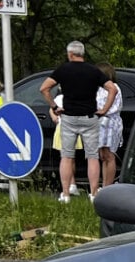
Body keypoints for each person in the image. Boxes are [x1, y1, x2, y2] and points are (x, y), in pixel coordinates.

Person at [40, 41, 117, 202]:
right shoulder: (93, 71)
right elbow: (112, 89)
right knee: (92, 157)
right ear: (82, 54)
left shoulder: (63, 70)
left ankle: (66, 194)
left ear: (70, 54)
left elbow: (44, 88)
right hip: (90, 118)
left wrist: (54, 106)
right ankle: (94, 193)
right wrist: (104, 110)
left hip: (68, 118)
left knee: (67, 156)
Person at [96, 63, 124, 187]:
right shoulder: (99, 88)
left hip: (109, 123)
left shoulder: (113, 87)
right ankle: (104, 184)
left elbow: (107, 107)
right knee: (103, 155)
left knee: (109, 155)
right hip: (101, 123)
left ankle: (108, 185)